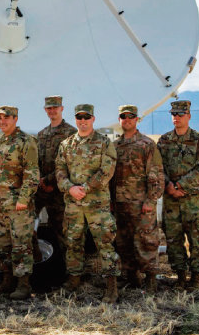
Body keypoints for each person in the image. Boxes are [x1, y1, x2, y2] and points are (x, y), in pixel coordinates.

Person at [55, 104, 119, 303]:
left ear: (93, 118)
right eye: (79, 117)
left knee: (105, 242)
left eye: (86, 117)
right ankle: (74, 279)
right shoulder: (66, 144)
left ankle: (111, 285)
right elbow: (59, 170)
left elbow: (107, 171)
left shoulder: (103, 143)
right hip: (73, 204)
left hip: (96, 204)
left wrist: (85, 188)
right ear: (75, 119)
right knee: (73, 243)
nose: (83, 121)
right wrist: (70, 187)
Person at [157, 100, 199, 291]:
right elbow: (158, 168)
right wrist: (169, 186)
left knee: (196, 240)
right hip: (171, 202)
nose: (177, 118)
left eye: (181, 114)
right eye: (174, 114)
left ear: (188, 116)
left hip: (193, 201)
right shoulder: (164, 141)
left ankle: (196, 278)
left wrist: (179, 185)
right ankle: (180, 277)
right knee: (173, 241)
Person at [111, 104, 164, 293]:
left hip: (141, 204)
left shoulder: (146, 144)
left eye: (130, 116)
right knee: (123, 242)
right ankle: (131, 276)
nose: (127, 120)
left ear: (137, 119)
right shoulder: (114, 146)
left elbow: (156, 175)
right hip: (120, 204)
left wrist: (151, 201)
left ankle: (150, 278)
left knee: (146, 241)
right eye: (123, 117)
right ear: (119, 120)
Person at [0, 105, 40, 300]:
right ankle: (7, 281)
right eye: (0, 118)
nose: (3, 121)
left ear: (16, 119)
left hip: (19, 205)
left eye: (7, 118)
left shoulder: (26, 142)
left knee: (21, 245)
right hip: (0, 204)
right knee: (2, 245)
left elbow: (32, 174)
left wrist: (24, 199)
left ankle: (23, 285)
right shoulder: (0, 142)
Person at [36, 95, 76, 254]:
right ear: (46, 110)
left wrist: (50, 181)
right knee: (27, 223)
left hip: (60, 190)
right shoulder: (41, 134)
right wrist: (41, 181)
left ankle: (66, 271)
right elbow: (37, 160)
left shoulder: (71, 133)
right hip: (41, 189)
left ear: (62, 109)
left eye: (55, 107)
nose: (52, 111)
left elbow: (70, 163)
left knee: (62, 231)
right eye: (49, 108)